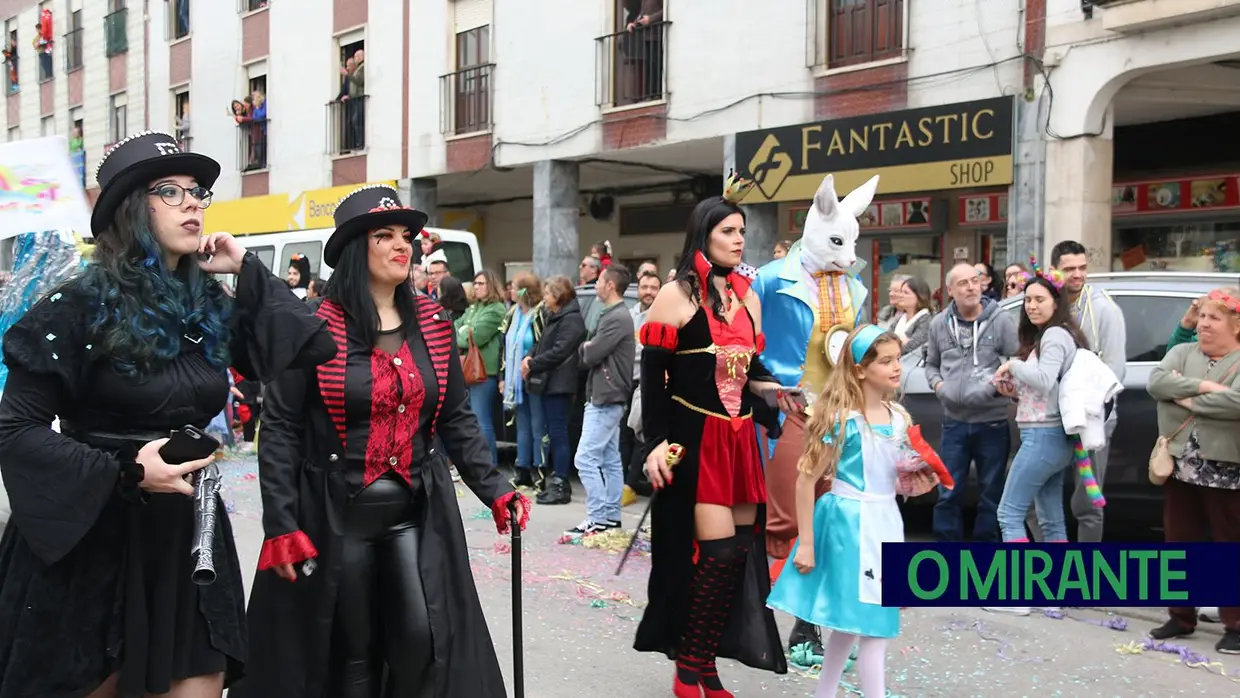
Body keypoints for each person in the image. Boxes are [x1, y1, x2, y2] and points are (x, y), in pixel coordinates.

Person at [0, 131, 334, 698]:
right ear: (132, 207)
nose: (194, 204)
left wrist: (245, 266)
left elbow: (308, 344)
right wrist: (127, 469)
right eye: (171, 191)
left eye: (197, 191)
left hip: (188, 534)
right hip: (91, 534)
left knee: (198, 682)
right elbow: (15, 429)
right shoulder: (77, 305)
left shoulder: (206, 305)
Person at [234, 184, 529, 698]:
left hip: (414, 512)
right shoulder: (311, 327)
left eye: (407, 236)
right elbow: (279, 427)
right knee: (353, 651)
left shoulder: (435, 324)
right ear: (354, 248)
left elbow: (455, 418)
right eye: (385, 235)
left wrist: (496, 488)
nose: (403, 246)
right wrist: (280, 521)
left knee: (421, 639)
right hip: (334, 515)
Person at [634, 172, 787, 697]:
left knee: (737, 558)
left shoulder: (749, 299)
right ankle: (687, 666)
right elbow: (653, 385)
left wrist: (775, 393)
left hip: (740, 439)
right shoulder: (675, 297)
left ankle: (702, 662)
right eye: (728, 230)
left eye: (742, 230)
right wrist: (654, 445)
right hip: (694, 439)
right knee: (712, 555)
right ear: (704, 236)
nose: (739, 239)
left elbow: (749, 371)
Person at [768, 325, 936, 698]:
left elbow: (889, 476)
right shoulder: (844, 420)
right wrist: (807, 543)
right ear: (860, 369)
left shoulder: (898, 418)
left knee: (850, 624)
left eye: (898, 360)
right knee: (875, 627)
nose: (896, 368)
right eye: (886, 361)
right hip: (850, 527)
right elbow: (804, 479)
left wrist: (913, 482)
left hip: (885, 523)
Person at [751, 173, 878, 656]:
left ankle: (808, 625)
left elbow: (855, 349)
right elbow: (746, 345)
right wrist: (762, 388)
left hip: (839, 413)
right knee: (783, 517)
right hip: (789, 412)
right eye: (839, 244)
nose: (848, 257)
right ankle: (754, 613)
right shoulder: (767, 280)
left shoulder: (854, 288)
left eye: (852, 244)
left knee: (827, 518)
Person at [1146, 287, 1240, 654]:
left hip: (1226, 468)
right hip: (1180, 464)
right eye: (1201, 316)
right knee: (1179, 542)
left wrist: (1183, 397)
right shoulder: (1183, 352)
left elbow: (1236, 402)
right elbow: (1157, 382)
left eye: (1214, 318)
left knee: (1227, 546)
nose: (1204, 324)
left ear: (1236, 325)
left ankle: (1234, 623)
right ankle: (1180, 616)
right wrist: (1202, 387)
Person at [1037, 240, 1126, 542]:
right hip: (1048, 417)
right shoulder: (1045, 305)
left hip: (1091, 417)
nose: (1077, 275)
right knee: (1035, 494)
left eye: (1083, 268)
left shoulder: (1104, 309)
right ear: (1054, 271)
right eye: (1069, 269)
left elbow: (1114, 371)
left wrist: (1083, 404)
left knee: (1087, 501)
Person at [992, 268, 1088, 546]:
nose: (1031, 306)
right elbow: (1046, 385)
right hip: (1052, 437)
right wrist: (1013, 390)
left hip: (1043, 437)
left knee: (1008, 514)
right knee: (1051, 520)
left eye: (1039, 300)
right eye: (1027, 300)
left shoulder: (1054, 335)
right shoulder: (1056, 334)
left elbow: (1045, 379)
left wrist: (1013, 365)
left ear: (1056, 303)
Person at [924, 262, 1019, 542]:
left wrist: (995, 388)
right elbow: (931, 365)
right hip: (953, 421)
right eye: (963, 283)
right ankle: (946, 553)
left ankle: (985, 551)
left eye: (975, 281)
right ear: (951, 290)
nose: (971, 287)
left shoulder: (1000, 320)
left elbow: (1015, 362)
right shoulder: (939, 323)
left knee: (992, 492)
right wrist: (939, 387)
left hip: (992, 421)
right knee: (948, 492)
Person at [566, 266, 635, 535]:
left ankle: (597, 517)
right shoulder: (615, 315)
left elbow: (591, 353)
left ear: (610, 285)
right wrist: (589, 346)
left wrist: (586, 347)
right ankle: (609, 518)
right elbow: (592, 348)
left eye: (600, 281)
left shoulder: (616, 317)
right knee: (609, 460)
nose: (596, 286)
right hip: (607, 394)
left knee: (585, 459)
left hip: (606, 396)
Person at [527, 276, 587, 505]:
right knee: (553, 433)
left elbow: (560, 351)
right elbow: (543, 343)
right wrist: (530, 357)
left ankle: (561, 481)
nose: (544, 298)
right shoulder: (556, 316)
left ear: (558, 295)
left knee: (559, 433)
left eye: (548, 294)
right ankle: (555, 479)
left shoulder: (571, 319)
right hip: (551, 383)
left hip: (561, 384)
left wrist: (533, 364)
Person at [501, 272, 548, 490]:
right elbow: (505, 345)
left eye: (514, 287)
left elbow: (542, 342)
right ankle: (522, 469)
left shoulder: (540, 313)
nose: (510, 290)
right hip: (514, 379)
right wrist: (503, 377)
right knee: (522, 426)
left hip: (533, 376)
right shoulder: (513, 313)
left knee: (538, 425)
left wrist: (531, 363)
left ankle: (540, 470)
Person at [456, 270, 507, 466]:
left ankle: (489, 464)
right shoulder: (474, 307)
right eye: (475, 283)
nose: (476, 286)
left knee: (481, 419)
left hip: (484, 372)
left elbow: (475, 336)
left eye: (481, 283)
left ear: (491, 285)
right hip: (467, 369)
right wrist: (464, 331)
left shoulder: (496, 309)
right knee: (470, 420)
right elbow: (454, 327)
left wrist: (464, 332)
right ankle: (475, 462)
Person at [889, 276, 933, 356]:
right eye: (901, 292)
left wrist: (896, 342)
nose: (901, 295)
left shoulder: (926, 320)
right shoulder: (899, 319)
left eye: (906, 293)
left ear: (919, 296)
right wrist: (902, 341)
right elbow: (884, 342)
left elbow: (912, 347)